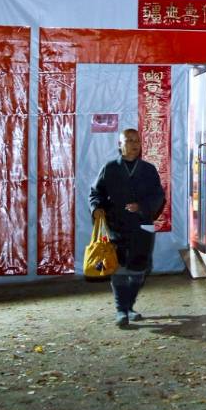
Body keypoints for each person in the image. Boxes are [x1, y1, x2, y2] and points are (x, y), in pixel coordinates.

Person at [89, 128, 166, 327]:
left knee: (139, 270)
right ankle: (121, 310)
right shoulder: (109, 168)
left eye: (137, 140)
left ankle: (129, 305)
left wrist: (142, 206)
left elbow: (158, 196)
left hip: (143, 226)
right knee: (119, 269)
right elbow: (96, 193)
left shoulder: (148, 169)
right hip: (116, 226)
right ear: (119, 145)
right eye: (129, 140)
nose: (134, 144)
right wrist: (96, 208)